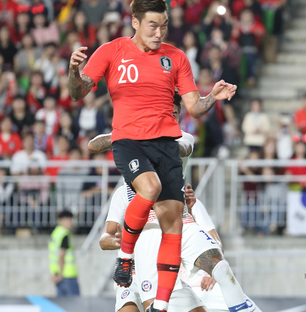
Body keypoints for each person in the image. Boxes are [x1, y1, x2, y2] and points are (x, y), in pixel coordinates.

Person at [68, 0, 237, 312]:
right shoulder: (112, 51)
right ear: (135, 22)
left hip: (166, 144)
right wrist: (74, 71)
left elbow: (194, 107)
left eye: (164, 26)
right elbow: (78, 93)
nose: (159, 33)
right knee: (150, 188)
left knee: (173, 225)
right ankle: (126, 258)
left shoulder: (176, 57)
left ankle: (160, 306)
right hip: (129, 141)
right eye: (152, 26)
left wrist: (212, 97)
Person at [96, 93, 259, 312]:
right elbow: (93, 145)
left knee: (221, 269)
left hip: (180, 222)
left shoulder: (182, 137)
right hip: (147, 240)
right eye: (167, 111)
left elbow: (183, 148)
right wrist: (126, 134)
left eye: (175, 112)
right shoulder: (123, 192)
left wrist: (149, 138)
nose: (171, 116)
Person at [49, 209, 80, 296]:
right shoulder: (64, 234)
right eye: (69, 220)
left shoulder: (55, 233)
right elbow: (61, 255)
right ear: (62, 220)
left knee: (61, 303)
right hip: (67, 275)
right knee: (75, 302)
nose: (71, 223)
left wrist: (55, 274)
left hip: (57, 274)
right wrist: (60, 274)